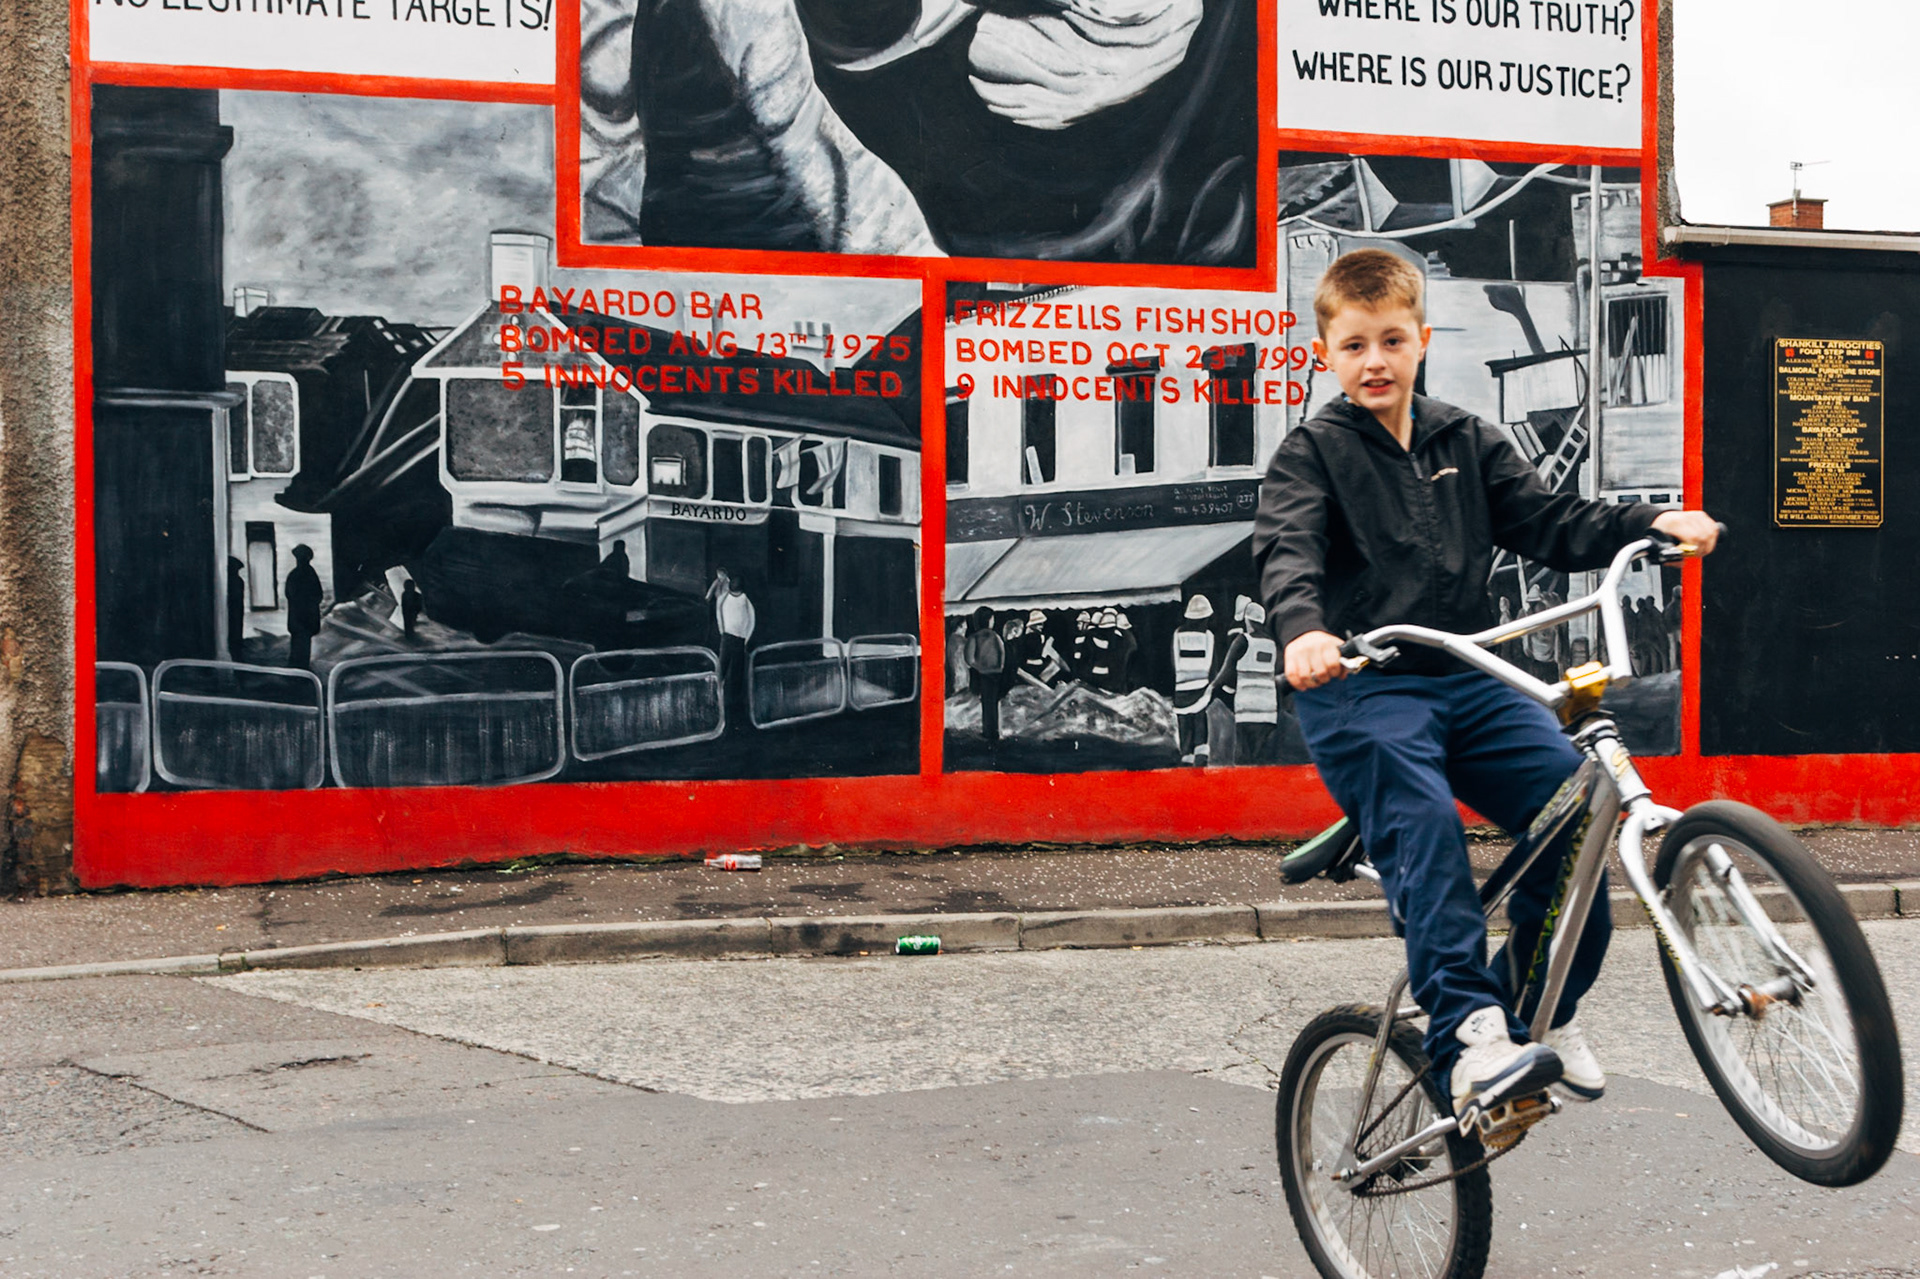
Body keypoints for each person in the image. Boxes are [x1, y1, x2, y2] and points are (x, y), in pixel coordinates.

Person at [1252, 248, 1721, 1121]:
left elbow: (1551, 522)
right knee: (1425, 824)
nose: (1376, 362)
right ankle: (1469, 1032)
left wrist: (1651, 518)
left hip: (1467, 677)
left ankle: (1537, 1010)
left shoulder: (1465, 438)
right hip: (1363, 688)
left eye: (1392, 340)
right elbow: (1288, 550)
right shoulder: (1310, 455)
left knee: (1580, 816)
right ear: (1328, 355)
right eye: (1355, 346)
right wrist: (1304, 630)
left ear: (1422, 340)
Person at [708, 568, 757, 729]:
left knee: (736, 671)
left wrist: (745, 639)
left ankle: (733, 703)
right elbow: (718, 612)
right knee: (722, 666)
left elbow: (752, 619)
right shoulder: (724, 597)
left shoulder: (745, 600)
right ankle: (715, 699)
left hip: (739, 639)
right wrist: (722, 630)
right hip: (727, 637)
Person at [1172, 594, 1217, 765]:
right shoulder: (1208, 635)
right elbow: (1211, 662)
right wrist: (1210, 683)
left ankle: (1186, 756)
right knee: (1200, 719)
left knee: (1184, 722)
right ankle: (1201, 756)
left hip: (1181, 685)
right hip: (1201, 684)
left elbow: (1175, 660)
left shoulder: (1178, 633)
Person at [964, 606, 1006, 743]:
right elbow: (1001, 656)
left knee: (987, 704)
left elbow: (969, 659)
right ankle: (994, 731)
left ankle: (989, 732)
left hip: (982, 675)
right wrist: (998, 668)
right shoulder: (996, 637)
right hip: (996, 674)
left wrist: (980, 668)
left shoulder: (974, 638)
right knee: (994, 703)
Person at [285, 544, 323, 671]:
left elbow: (288, 594)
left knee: (299, 641)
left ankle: (297, 666)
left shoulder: (294, 575)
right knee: (303, 642)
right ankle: (301, 666)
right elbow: (318, 595)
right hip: (307, 616)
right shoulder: (311, 574)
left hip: (299, 616)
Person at [226, 557, 247, 665]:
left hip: (235, 610)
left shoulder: (235, 581)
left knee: (235, 629)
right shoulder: (236, 581)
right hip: (234, 611)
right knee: (234, 630)